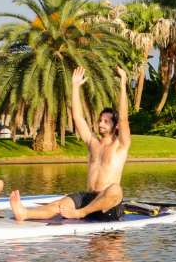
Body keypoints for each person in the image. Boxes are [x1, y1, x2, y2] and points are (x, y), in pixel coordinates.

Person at [9, 66, 130, 222]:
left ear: (116, 126)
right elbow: (78, 117)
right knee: (62, 203)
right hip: (88, 197)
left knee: (115, 189)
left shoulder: (120, 145)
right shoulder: (93, 143)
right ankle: (25, 213)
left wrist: (122, 84)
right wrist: (75, 87)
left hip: (107, 205)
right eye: (100, 120)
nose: (101, 123)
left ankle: (81, 213)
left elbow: (124, 119)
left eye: (106, 121)